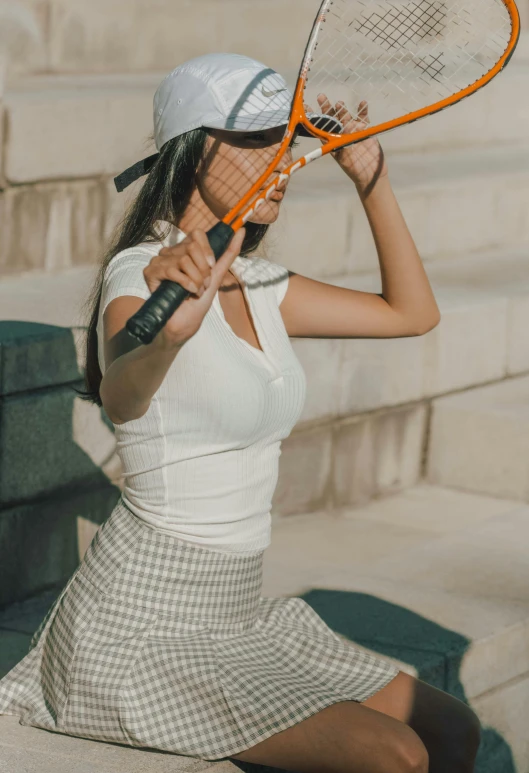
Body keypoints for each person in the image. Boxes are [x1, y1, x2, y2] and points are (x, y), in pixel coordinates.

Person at [0, 53, 481, 773]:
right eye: (259, 139)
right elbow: (122, 390)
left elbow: (410, 313)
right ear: (192, 149)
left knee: (449, 729)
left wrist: (370, 178)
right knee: (395, 755)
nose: (283, 160)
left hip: (237, 613)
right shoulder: (144, 275)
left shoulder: (258, 281)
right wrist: (167, 337)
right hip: (140, 630)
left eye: (288, 141)